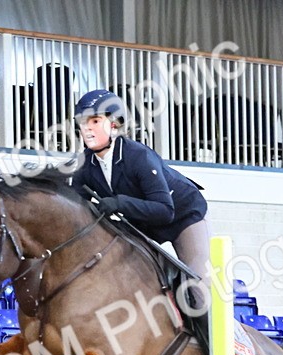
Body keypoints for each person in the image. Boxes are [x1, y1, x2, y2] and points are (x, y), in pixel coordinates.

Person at [70, 89, 211, 279]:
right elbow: (76, 205)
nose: (87, 129)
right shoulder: (86, 164)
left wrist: (119, 203)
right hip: (142, 222)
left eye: (95, 121)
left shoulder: (139, 156)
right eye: (82, 123)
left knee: (197, 283)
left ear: (114, 125)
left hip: (183, 215)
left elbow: (165, 210)